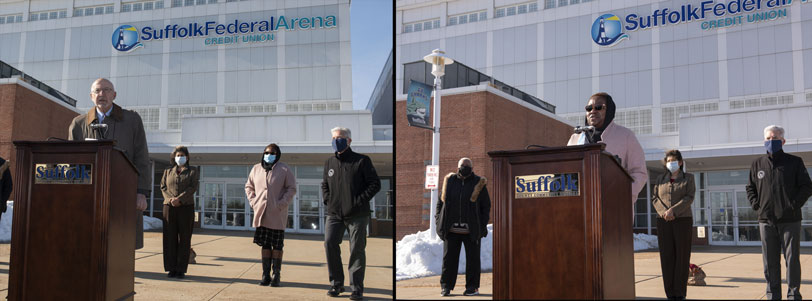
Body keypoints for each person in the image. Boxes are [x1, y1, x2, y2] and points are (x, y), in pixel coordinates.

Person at [68, 78, 150, 249]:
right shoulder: (79, 124)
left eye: (106, 90)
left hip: (123, 194)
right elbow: (72, 161)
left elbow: (141, 157)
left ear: (114, 95)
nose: (102, 94)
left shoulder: (131, 120)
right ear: (91, 96)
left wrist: (141, 192)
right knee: (90, 243)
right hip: (90, 196)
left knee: (120, 244)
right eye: (97, 91)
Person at [746, 125, 812, 300]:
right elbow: (750, 188)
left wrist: (793, 205)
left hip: (790, 220)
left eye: (774, 138)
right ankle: (773, 295)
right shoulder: (757, 164)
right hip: (766, 221)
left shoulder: (794, 162)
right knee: (770, 262)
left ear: (783, 141)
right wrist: (757, 206)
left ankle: (793, 295)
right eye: (768, 138)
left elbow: (807, 186)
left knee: (792, 260)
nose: (771, 141)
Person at [322, 127, 381, 300]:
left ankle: (356, 288)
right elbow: (324, 184)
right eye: (333, 138)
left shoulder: (362, 161)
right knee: (329, 244)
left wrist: (359, 200)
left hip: (357, 215)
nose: (336, 140)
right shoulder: (329, 163)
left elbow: (374, 184)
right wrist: (328, 200)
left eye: (339, 138)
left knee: (356, 249)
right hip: (334, 214)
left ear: (349, 141)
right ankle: (336, 284)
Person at [567, 92, 648, 203]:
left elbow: (639, 173)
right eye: (589, 108)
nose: (593, 111)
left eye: (599, 107)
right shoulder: (575, 138)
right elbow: (566, 172)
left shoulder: (626, 136)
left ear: (609, 110)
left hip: (615, 207)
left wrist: (623, 194)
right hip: (581, 206)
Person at [436, 158, 490, 297]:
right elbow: (440, 204)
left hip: (471, 231)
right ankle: (446, 287)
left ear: (472, 168)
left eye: (467, 165)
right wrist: (439, 223)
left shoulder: (479, 183)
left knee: (473, 261)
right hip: (451, 230)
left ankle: (472, 287)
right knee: (449, 261)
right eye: (462, 165)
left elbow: (486, 206)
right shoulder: (450, 181)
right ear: (458, 167)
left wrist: (482, 226)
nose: (464, 167)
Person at [245, 143, 296, 287]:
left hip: (277, 214)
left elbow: (291, 188)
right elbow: (249, 186)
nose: (269, 155)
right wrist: (254, 202)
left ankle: (276, 274)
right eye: (267, 152)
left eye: (272, 153)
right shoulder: (256, 169)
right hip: (262, 213)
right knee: (265, 245)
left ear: (277, 155)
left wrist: (282, 203)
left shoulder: (284, 169)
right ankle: (265, 274)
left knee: (277, 245)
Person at [651, 149, 695, 301]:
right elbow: (655, 197)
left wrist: (673, 211)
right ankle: (670, 293)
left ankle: (680, 292)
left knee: (682, 256)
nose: (671, 164)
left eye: (674, 161)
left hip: (683, 220)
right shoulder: (659, 179)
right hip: (663, 221)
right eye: (668, 161)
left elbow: (689, 197)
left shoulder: (688, 178)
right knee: (667, 256)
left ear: (680, 162)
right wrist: (665, 212)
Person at [160, 146, 199, 279]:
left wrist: (180, 199)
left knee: (184, 238)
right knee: (169, 238)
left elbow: (192, 187)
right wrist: (171, 199)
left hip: (185, 208)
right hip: (169, 207)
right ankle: (171, 268)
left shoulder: (192, 171)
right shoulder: (167, 171)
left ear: (187, 157)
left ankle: (181, 269)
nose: (179, 158)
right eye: (177, 155)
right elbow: (163, 187)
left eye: (182, 155)